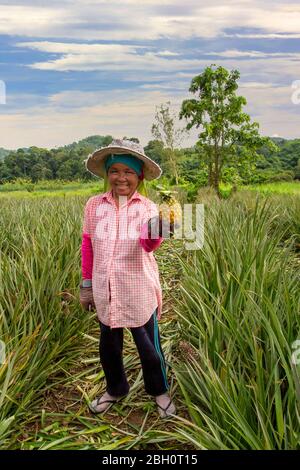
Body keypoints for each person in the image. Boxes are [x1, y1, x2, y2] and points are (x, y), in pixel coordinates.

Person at [79, 139, 176, 418]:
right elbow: (88, 245)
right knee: (109, 348)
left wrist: (159, 230)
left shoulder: (147, 207)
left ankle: (160, 391)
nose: (121, 178)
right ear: (107, 174)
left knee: (149, 350)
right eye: (115, 170)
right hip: (105, 289)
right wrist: (86, 285)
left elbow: (148, 246)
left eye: (129, 172)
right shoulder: (94, 205)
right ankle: (116, 389)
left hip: (137, 289)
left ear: (139, 176)